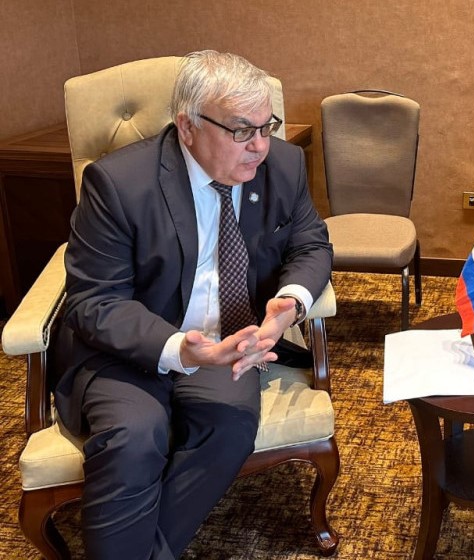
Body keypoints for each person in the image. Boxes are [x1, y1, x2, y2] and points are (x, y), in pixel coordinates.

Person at [53, 50, 333, 559]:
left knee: (230, 425)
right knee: (133, 436)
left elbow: (311, 245)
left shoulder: (284, 165)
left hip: (228, 346)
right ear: (187, 127)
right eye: (241, 130)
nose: (260, 146)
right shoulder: (118, 183)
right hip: (129, 353)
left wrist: (288, 302)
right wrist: (180, 348)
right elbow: (94, 301)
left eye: (267, 126)